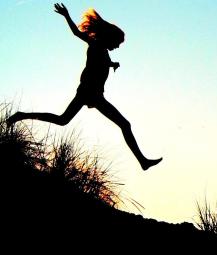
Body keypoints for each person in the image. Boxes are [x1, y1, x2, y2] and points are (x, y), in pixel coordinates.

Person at [9, 3, 162, 170]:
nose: (118, 46)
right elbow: (76, 33)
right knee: (124, 125)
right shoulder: (95, 44)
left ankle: (21, 115)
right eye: (117, 43)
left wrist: (112, 64)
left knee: (62, 120)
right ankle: (143, 161)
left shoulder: (103, 51)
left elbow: (100, 62)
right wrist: (66, 15)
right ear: (110, 38)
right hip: (91, 94)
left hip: (92, 94)